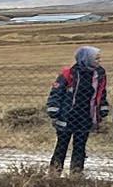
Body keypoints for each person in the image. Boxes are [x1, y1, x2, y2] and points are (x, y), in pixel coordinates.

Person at [44, 46, 109, 174]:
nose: (99, 61)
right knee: (61, 146)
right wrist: (54, 111)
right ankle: (54, 173)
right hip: (67, 116)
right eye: (97, 58)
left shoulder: (99, 73)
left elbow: (102, 93)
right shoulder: (69, 73)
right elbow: (56, 92)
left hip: (86, 116)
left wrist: (102, 108)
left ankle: (76, 174)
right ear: (86, 58)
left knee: (80, 147)